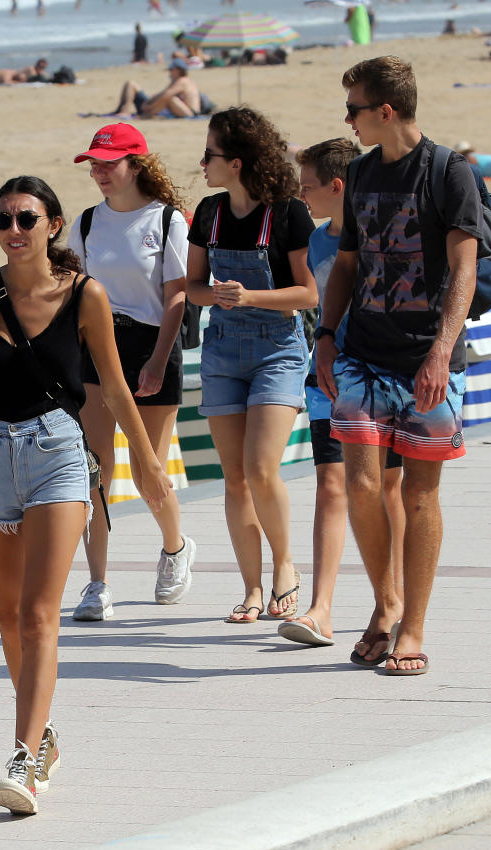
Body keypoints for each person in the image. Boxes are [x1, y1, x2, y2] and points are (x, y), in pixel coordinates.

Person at [0, 175, 173, 814]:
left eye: (26, 219)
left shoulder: (84, 295)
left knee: (41, 613)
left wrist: (147, 464)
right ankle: (41, 736)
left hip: (57, 455)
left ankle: (22, 758)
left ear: (53, 225)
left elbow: (116, 386)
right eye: (3, 221)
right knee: (13, 618)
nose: (13, 231)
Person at [315, 57, 482, 675]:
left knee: (418, 495)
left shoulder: (449, 172)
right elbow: (348, 264)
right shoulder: (358, 174)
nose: (348, 120)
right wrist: (327, 334)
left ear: (385, 111)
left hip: (427, 356)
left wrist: (442, 349)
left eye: (354, 108)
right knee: (360, 483)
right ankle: (385, 604)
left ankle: (412, 627)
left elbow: (463, 269)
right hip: (362, 349)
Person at [185, 107, 318, 624]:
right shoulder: (209, 212)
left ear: (236, 162)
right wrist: (213, 295)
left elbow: (307, 293)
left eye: (210, 155)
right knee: (234, 478)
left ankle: (286, 566)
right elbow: (191, 286)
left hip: (278, 349)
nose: (203, 163)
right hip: (221, 352)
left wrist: (251, 296)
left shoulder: (289, 213)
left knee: (263, 469)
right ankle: (253, 588)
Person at [67, 123, 196, 622]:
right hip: (97, 345)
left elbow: (177, 297)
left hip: (152, 343)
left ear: (136, 164)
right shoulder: (85, 222)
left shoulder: (166, 221)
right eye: (94, 164)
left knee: (149, 471)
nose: (100, 172)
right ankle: (97, 582)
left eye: (109, 163)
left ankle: (175, 548)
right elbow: (74, 289)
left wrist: (159, 361)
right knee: (95, 470)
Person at [280, 137, 405, 648]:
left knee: (389, 489)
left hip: (383, 376)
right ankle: (321, 609)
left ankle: (392, 599)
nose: (300, 195)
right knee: (333, 485)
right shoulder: (315, 240)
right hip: (328, 375)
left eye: (307, 186)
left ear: (337, 186)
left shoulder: (380, 237)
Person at [112, 58, 209, 118]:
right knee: (130, 83)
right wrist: (151, 100)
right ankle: (121, 110)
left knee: (170, 98)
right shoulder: (177, 81)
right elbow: (164, 93)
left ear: (178, 70)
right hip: (185, 110)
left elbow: (167, 95)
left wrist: (150, 106)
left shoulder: (183, 81)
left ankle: (141, 114)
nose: (169, 72)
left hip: (191, 113)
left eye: (171, 69)